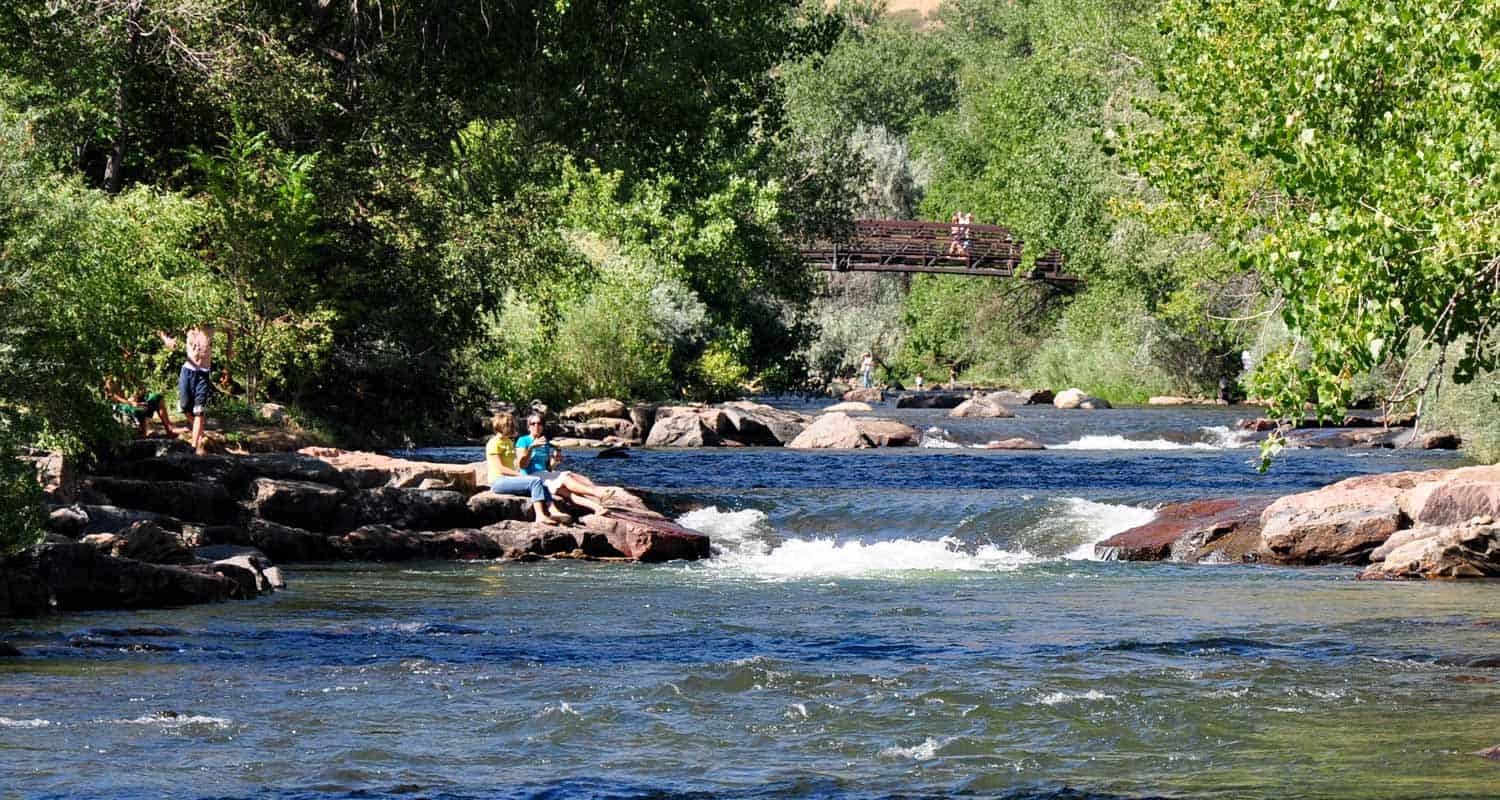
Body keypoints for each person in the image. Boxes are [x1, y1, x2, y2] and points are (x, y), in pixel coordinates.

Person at [515, 412, 618, 517]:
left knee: (569, 490)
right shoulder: (523, 440)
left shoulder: (544, 443)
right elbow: (522, 465)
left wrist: (555, 461)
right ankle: (598, 494)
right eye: (533, 424)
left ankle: (598, 508)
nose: (536, 426)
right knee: (566, 478)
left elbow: (547, 468)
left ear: (543, 426)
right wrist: (531, 447)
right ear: (529, 426)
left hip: (545, 475)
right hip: (532, 477)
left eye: (539, 423)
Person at [485, 412, 572, 525]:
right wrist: (521, 475)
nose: (512, 427)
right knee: (534, 481)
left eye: (512, 425)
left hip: (509, 479)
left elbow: (517, 464)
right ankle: (540, 516)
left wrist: (553, 462)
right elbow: (500, 468)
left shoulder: (509, 442)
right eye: (509, 425)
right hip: (498, 481)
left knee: (540, 483)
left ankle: (553, 511)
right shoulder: (494, 443)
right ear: (500, 426)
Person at [159, 325, 216, 454]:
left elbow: (230, 329)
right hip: (188, 370)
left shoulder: (212, 327)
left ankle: (194, 445)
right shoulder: (187, 324)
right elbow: (161, 327)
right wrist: (166, 339)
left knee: (199, 411)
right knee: (184, 406)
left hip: (203, 372)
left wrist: (229, 349)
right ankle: (198, 430)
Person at [104, 375, 176, 438]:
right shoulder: (111, 377)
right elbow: (113, 396)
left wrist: (137, 396)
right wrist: (131, 402)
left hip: (133, 400)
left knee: (156, 397)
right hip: (120, 405)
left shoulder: (128, 372)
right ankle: (144, 431)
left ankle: (169, 428)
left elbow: (141, 387)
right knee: (138, 408)